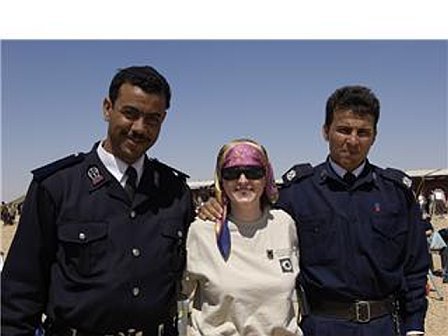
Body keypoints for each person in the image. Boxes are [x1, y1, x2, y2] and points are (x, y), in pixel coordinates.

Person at [199, 85, 429, 336]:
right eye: (343, 130)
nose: (352, 141)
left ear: (374, 136)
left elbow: (415, 266)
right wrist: (219, 205)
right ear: (325, 131)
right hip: (320, 326)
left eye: (363, 132)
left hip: (384, 325)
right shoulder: (296, 193)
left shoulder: (396, 193)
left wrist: (414, 326)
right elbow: (250, 218)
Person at [1, 66, 195, 336]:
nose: (140, 128)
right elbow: (19, 292)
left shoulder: (174, 191)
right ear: (107, 108)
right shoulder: (57, 186)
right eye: (130, 113)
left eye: (153, 119)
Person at [183, 138, 302, 336]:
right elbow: (184, 292)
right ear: (221, 180)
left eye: (254, 172)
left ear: (266, 177)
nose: (243, 181)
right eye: (232, 173)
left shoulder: (284, 224)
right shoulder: (202, 231)